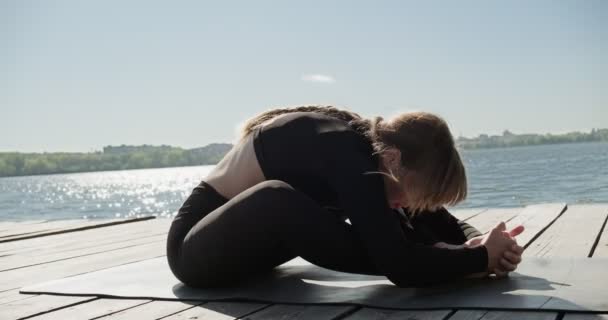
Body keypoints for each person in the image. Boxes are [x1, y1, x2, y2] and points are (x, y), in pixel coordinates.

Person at [166, 105, 524, 288]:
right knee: (277, 197)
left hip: (251, 259)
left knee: (392, 234)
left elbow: (436, 220)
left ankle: (436, 258)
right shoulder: (345, 151)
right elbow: (398, 267)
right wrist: (473, 262)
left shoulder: (381, 159)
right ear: (394, 159)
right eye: (406, 193)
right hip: (194, 253)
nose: (403, 204)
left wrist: (479, 243)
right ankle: (436, 259)